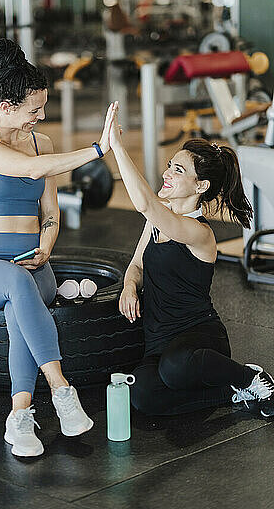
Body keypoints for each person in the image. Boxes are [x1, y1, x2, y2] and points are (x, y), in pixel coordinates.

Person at [0, 39, 116, 457]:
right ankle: (62, 390)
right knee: (12, 284)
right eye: (33, 110)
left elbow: (50, 212)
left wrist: (46, 245)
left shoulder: (41, 141)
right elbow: (27, 169)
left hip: (34, 269)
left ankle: (20, 415)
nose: (40, 117)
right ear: (5, 105)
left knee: (19, 301)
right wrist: (96, 150)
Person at [108, 102, 274, 418]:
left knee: (175, 368)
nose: (166, 173)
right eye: (170, 165)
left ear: (201, 186)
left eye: (178, 170)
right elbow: (137, 264)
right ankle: (231, 392)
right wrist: (130, 286)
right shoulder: (158, 218)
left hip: (199, 337)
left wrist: (117, 146)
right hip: (159, 339)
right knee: (142, 395)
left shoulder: (199, 233)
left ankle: (250, 377)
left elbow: (145, 203)